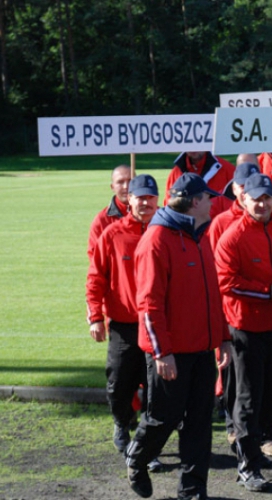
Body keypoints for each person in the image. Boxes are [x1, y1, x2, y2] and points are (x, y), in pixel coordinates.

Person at [126, 173, 232, 500]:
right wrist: (161, 353)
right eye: (209, 197)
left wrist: (223, 337)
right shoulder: (157, 240)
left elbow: (212, 294)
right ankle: (138, 457)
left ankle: (192, 491)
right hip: (170, 353)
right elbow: (148, 303)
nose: (214, 202)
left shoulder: (200, 236)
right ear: (195, 201)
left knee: (200, 423)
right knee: (163, 418)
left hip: (201, 349)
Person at [214, 174, 272, 492]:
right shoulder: (232, 236)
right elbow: (226, 282)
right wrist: (269, 291)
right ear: (243, 200)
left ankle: (263, 441)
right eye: (256, 198)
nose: (263, 204)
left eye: (268, 197)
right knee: (248, 398)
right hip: (246, 328)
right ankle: (247, 465)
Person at [86, 174, 160, 462]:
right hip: (123, 325)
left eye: (150, 197)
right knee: (118, 383)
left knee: (154, 388)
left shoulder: (163, 232)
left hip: (155, 326)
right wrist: (95, 316)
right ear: (129, 199)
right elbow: (95, 278)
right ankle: (121, 422)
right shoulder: (113, 234)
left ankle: (146, 445)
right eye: (140, 197)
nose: (145, 202)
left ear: (158, 200)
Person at [206, 161, 261, 455]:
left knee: (253, 377)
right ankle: (230, 422)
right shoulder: (221, 223)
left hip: (260, 314)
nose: (245, 191)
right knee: (230, 372)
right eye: (241, 186)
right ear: (235, 189)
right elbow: (216, 273)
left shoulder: (269, 220)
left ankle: (258, 429)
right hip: (229, 312)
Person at [164, 151, 235, 218]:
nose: (193, 148)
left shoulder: (227, 170)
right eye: (189, 142)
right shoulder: (175, 173)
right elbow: (168, 207)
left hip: (219, 228)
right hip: (183, 229)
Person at [88, 165, 131, 261]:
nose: (126, 186)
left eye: (130, 181)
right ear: (112, 187)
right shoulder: (102, 220)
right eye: (120, 182)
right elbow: (95, 259)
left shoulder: (154, 215)